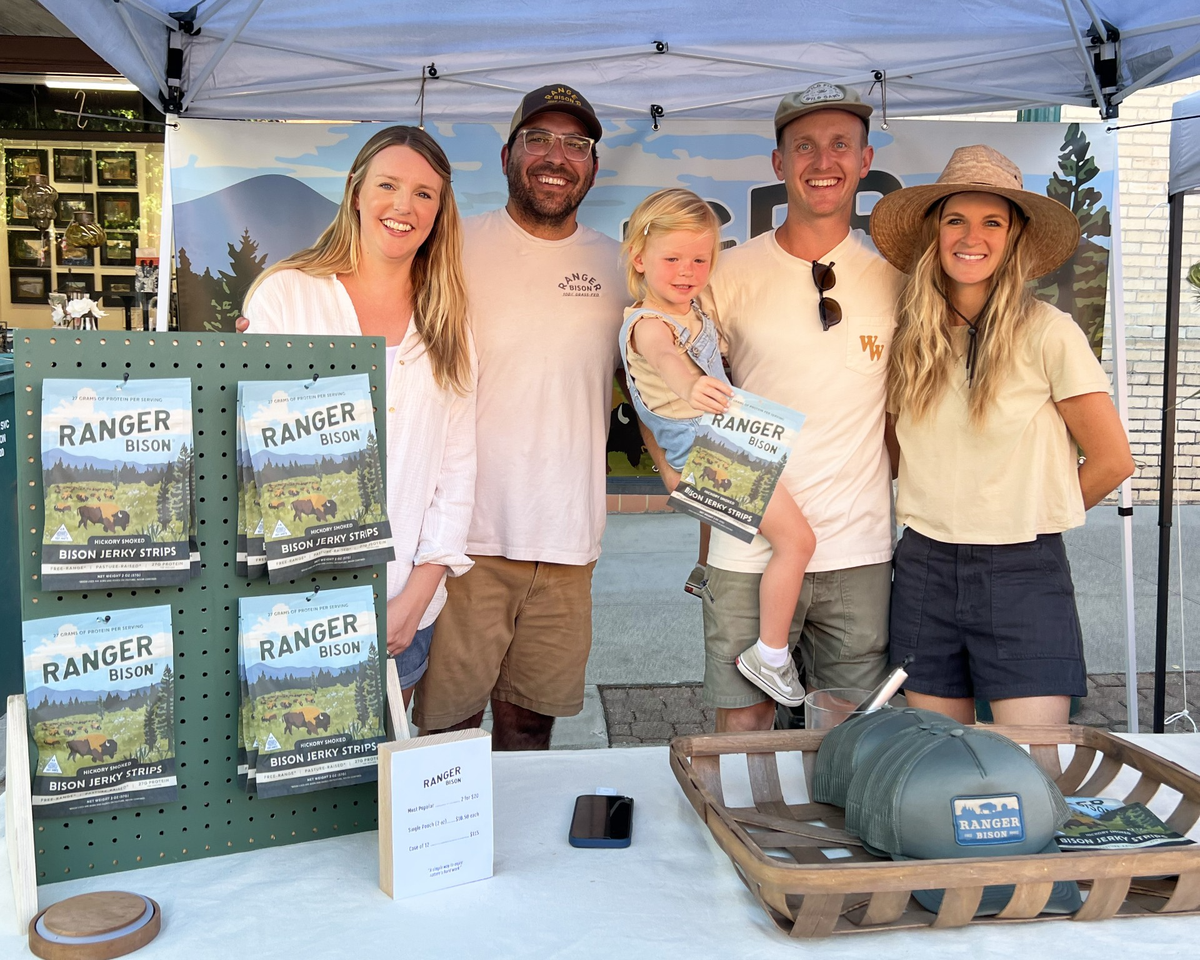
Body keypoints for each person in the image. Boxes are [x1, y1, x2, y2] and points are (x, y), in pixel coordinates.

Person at [645, 83, 903, 733]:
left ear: (866, 159)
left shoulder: (896, 281)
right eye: (805, 146)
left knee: (848, 739)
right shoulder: (727, 275)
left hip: (857, 552)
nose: (824, 160)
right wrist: (693, 494)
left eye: (840, 144)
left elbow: (902, 418)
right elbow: (657, 381)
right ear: (778, 164)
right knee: (742, 739)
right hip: (745, 548)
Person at [871, 144, 1134, 725]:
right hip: (923, 567)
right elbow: (894, 455)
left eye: (993, 221)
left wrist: (1030, 509)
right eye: (956, 220)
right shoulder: (908, 337)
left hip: (1023, 571)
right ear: (935, 234)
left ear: (1014, 236)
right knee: (939, 761)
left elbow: (1113, 460)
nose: (973, 236)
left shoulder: (1050, 333)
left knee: (1031, 764)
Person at [411, 84, 626, 749]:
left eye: (576, 144)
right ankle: (448, 851)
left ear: (592, 166)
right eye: (539, 139)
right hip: (462, 540)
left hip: (567, 541)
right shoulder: (449, 247)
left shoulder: (621, 267)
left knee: (532, 728)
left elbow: (668, 383)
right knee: (446, 729)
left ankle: (519, 858)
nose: (557, 157)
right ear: (508, 154)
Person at [241, 125, 476, 708]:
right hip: (292, 606)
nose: (404, 206)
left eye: (424, 193)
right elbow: (249, 457)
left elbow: (457, 469)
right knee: (294, 792)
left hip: (401, 607)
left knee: (381, 792)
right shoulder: (286, 296)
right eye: (388, 185)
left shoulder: (449, 320)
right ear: (354, 191)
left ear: (441, 209)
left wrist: (417, 598)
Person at [619, 188, 816, 707]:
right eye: (672, 259)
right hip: (712, 450)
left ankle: (705, 566)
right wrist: (689, 384)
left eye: (700, 260)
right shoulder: (647, 324)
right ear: (639, 258)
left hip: (712, 442)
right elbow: (664, 358)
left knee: (738, 526)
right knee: (797, 542)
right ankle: (770, 655)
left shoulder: (689, 311)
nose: (687, 271)